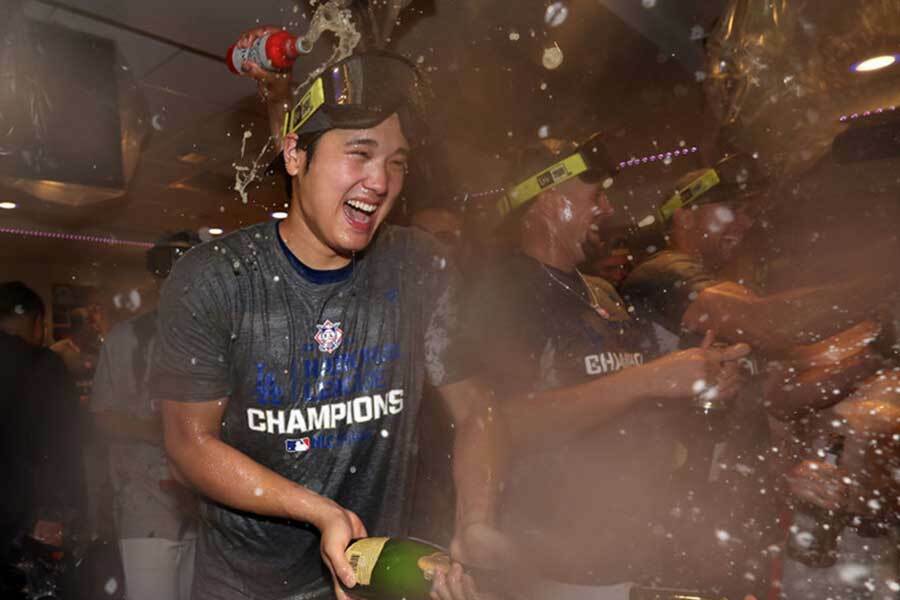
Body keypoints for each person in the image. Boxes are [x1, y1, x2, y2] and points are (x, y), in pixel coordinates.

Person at [150, 50, 504, 600]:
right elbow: (188, 443)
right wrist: (320, 512)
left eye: (397, 162)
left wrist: (476, 520)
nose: (380, 181)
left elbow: (478, 409)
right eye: (359, 154)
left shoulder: (419, 267)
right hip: (245, 587)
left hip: (372, 579)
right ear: (295, 155)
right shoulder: (215, 278)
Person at [465, 135, 751, 600]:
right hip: (555, 563)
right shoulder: (503, 293)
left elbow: (632, 402)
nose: (607, 208)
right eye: (594, 196)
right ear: (548, 200)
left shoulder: (600, 291)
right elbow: (501, 422)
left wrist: (699, 388)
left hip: (635, 544)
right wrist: (650, 379)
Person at [90, 231, 202, 600]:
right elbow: (103, 417)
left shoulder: (213, 337)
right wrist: (161, 429)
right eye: (172, 268)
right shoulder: (128, 339)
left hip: (202, 510)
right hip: (146, 505)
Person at [0, 281, 83, 597]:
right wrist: (57, 511)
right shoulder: (42, 365)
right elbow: (64, 442)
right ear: (35, 321)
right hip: (26, 514)